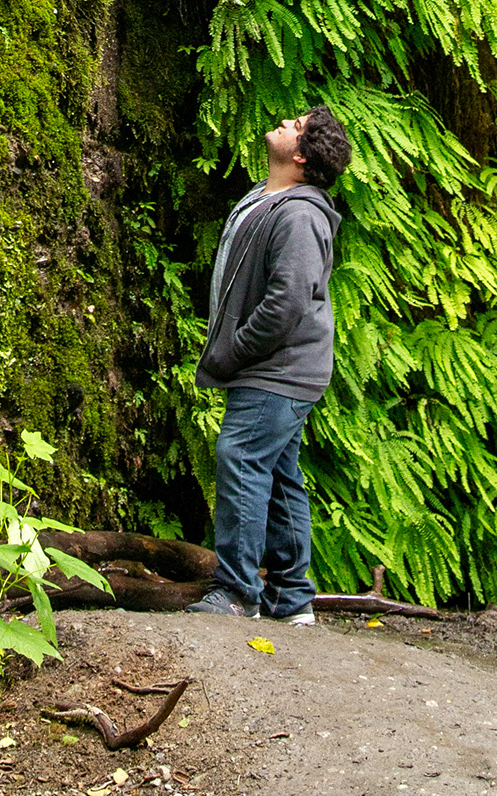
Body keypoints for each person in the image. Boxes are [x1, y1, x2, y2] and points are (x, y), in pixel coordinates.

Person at [190, 105, 350, 626]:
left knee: (240, 459)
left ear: (301, 157)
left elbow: (287, 306)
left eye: (297, 127)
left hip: (277, 370)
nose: (286, 124)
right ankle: (291, 598)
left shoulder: (301, 213)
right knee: (279, 475)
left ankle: (236, 593)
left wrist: (231, 350)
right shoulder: (270, 198)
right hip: (281, 369)